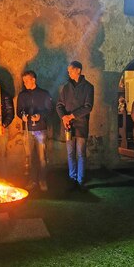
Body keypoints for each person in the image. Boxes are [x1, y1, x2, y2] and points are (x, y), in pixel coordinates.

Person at [56, 61, 94, 191]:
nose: (69, 73)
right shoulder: (66, 88)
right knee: (70, 153)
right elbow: (59, 105)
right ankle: (72, 178)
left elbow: (88, 107)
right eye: (68, 71)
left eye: (70, 70)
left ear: (78, 70)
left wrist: (71, 116)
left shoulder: (89, 87)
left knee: (80, 153)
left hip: (81, 125)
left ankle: (80, 180)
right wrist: (63, 117)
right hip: (68, 126)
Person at [16, 70, 53, 191]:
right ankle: (32, 181)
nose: (25, 83)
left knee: (42, 157)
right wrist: (22, 116)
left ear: (33, 80)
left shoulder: (44, 94)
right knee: (29, 156)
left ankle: (42, 180)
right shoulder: (22, 95)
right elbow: (19, 111)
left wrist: (40, 116)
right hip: (27, 130)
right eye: (24, 81)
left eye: (27, 80)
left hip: (40, 130)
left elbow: (49, 110)